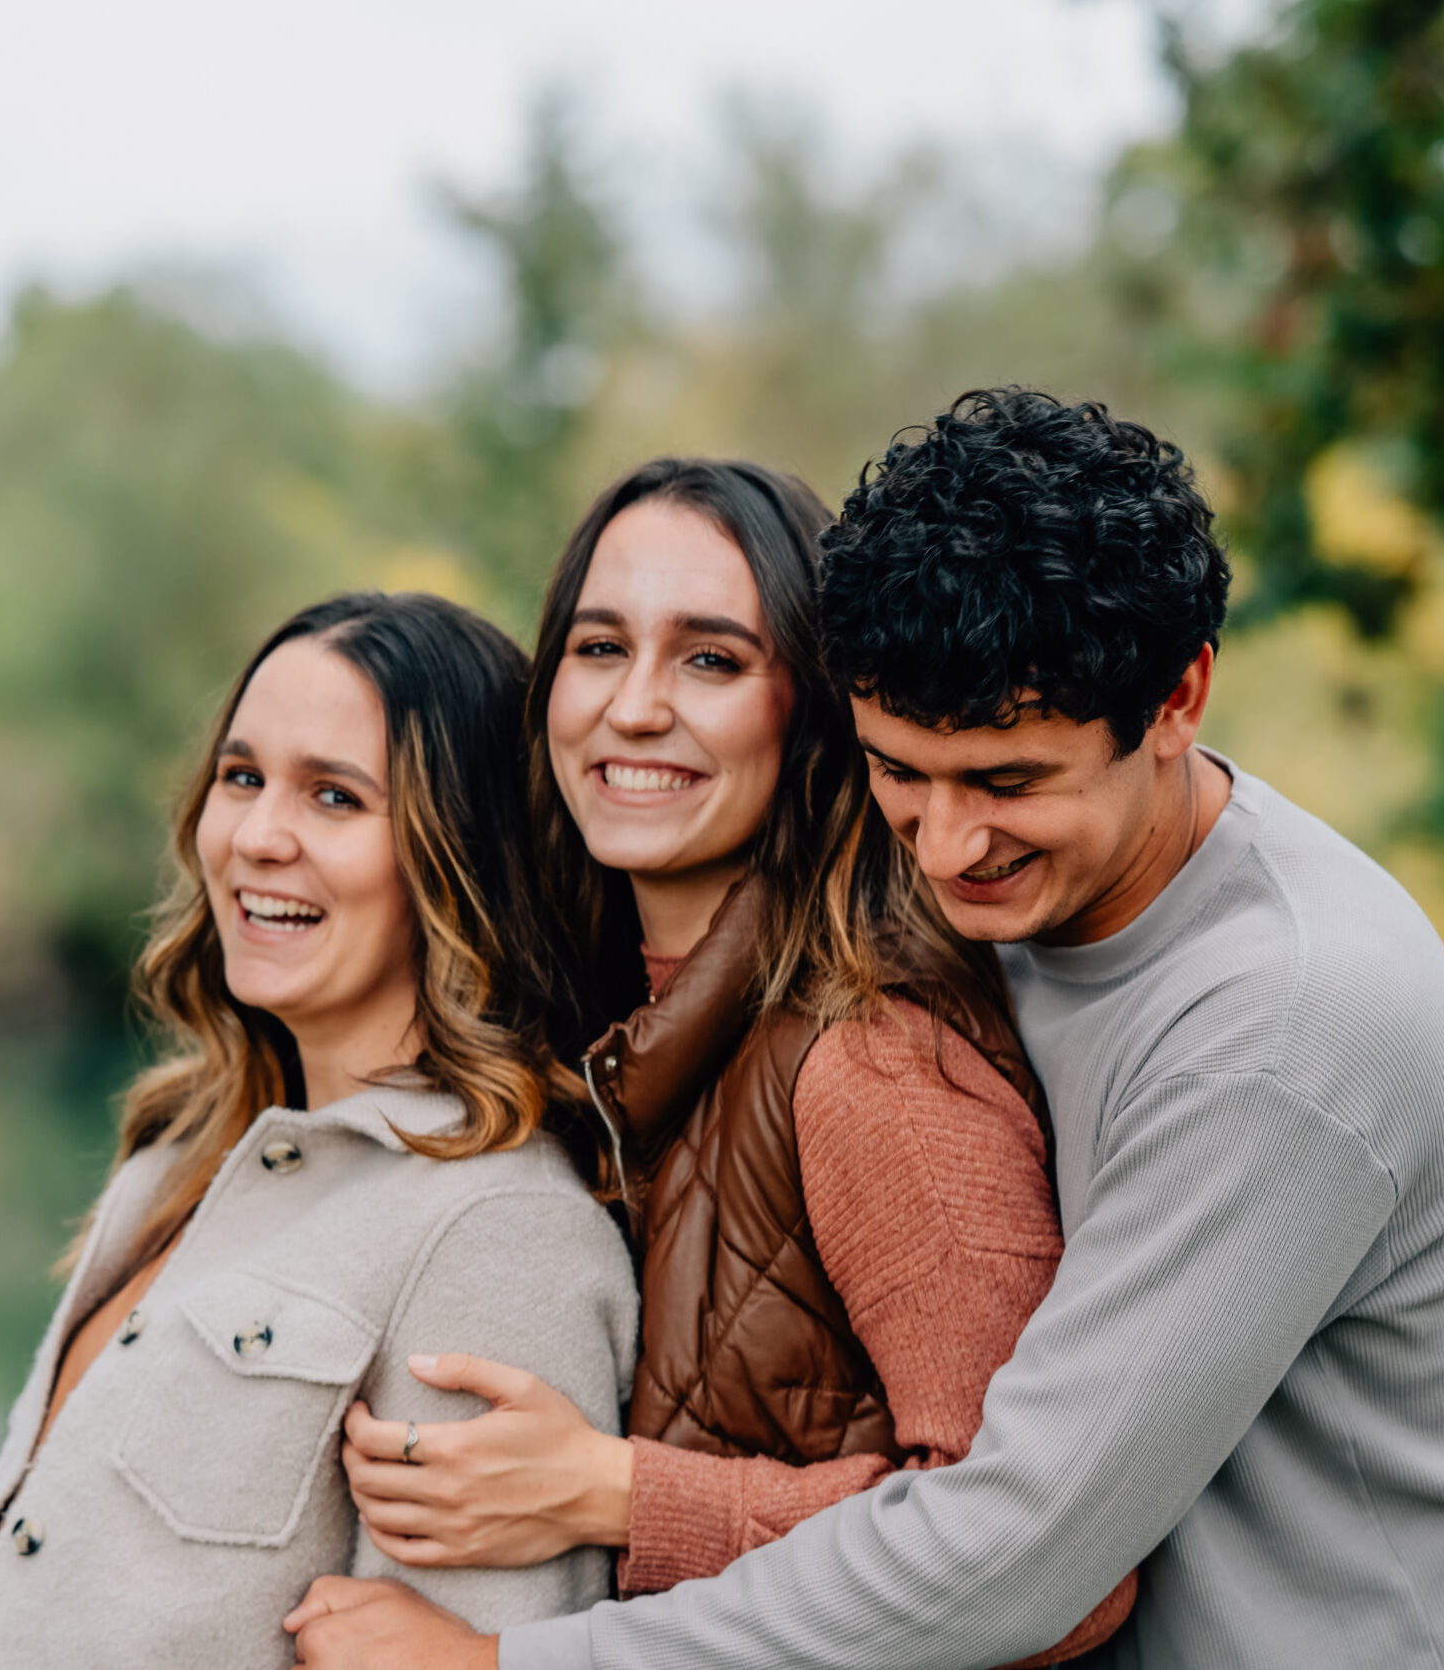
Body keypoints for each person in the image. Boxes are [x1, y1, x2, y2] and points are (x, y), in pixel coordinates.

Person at [284, 394, 1444, 1669]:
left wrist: (523, 1650)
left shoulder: (1287, 1025)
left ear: (1178, 699)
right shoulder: (962, 902)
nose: (949, 841)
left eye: (1009, 782)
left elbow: (1021, 1547)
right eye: (898, 774)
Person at [322, 459, 1132, 1661]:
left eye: (710, 658)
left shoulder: (874, 1060)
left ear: (813, 709)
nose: (635, 706)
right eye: (599, 647)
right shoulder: (607, 1027)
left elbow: (1052, 1573)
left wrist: (613, 1493)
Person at [0, 593, 636, 1670]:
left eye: (334, 796)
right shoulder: (177, 1154)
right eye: (241, 777)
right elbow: (36, 1531)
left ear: (456, 856)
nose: (255, 836)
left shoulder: (496, 1227)